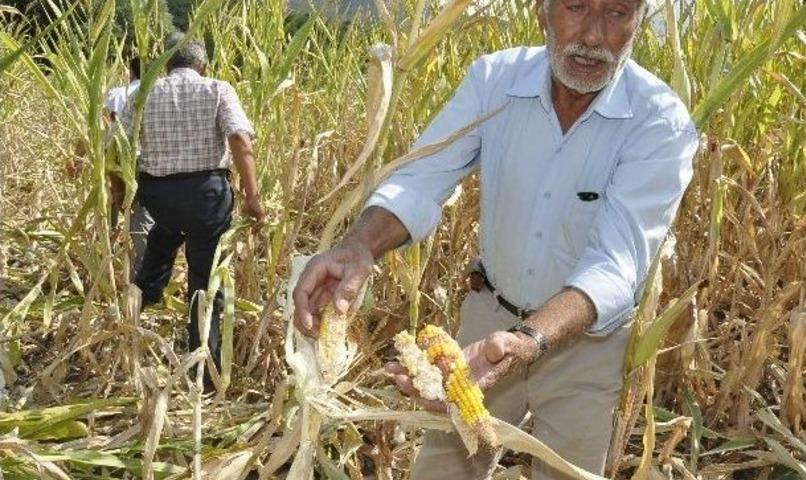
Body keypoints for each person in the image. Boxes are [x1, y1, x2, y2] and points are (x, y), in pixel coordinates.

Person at [293, 0, 698, 477]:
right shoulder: (495, 80)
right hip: (488, 321)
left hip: (589, 346)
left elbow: (616, 264)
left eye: (616, 13)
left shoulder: (660, 121)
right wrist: (359, 246)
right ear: (542, 11)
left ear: (637, 21)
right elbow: (423, 175)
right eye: (575, 7)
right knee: (444, 470)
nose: (592, 36)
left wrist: (528, 340)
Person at [120, 34, 265, 391]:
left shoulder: (142, 92)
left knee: (161, 242)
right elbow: (240, 141)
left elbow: (118, 143)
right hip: (205, 196)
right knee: (205, 279)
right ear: (203, 65)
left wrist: (121, 193)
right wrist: (252, 197)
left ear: (166, 64)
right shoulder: (217, 88)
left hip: (159, 195)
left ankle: (125, 327)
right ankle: (206, 368)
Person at [105, 56, 153, 279]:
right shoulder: (157, 93)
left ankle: (109, 253)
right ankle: (143, 270)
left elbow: (102, 129)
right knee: (141, 216)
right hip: (144, 163)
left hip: (115, 160)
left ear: (130, 73)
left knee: (114, 204)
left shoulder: (115, 94)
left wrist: (78, 158)